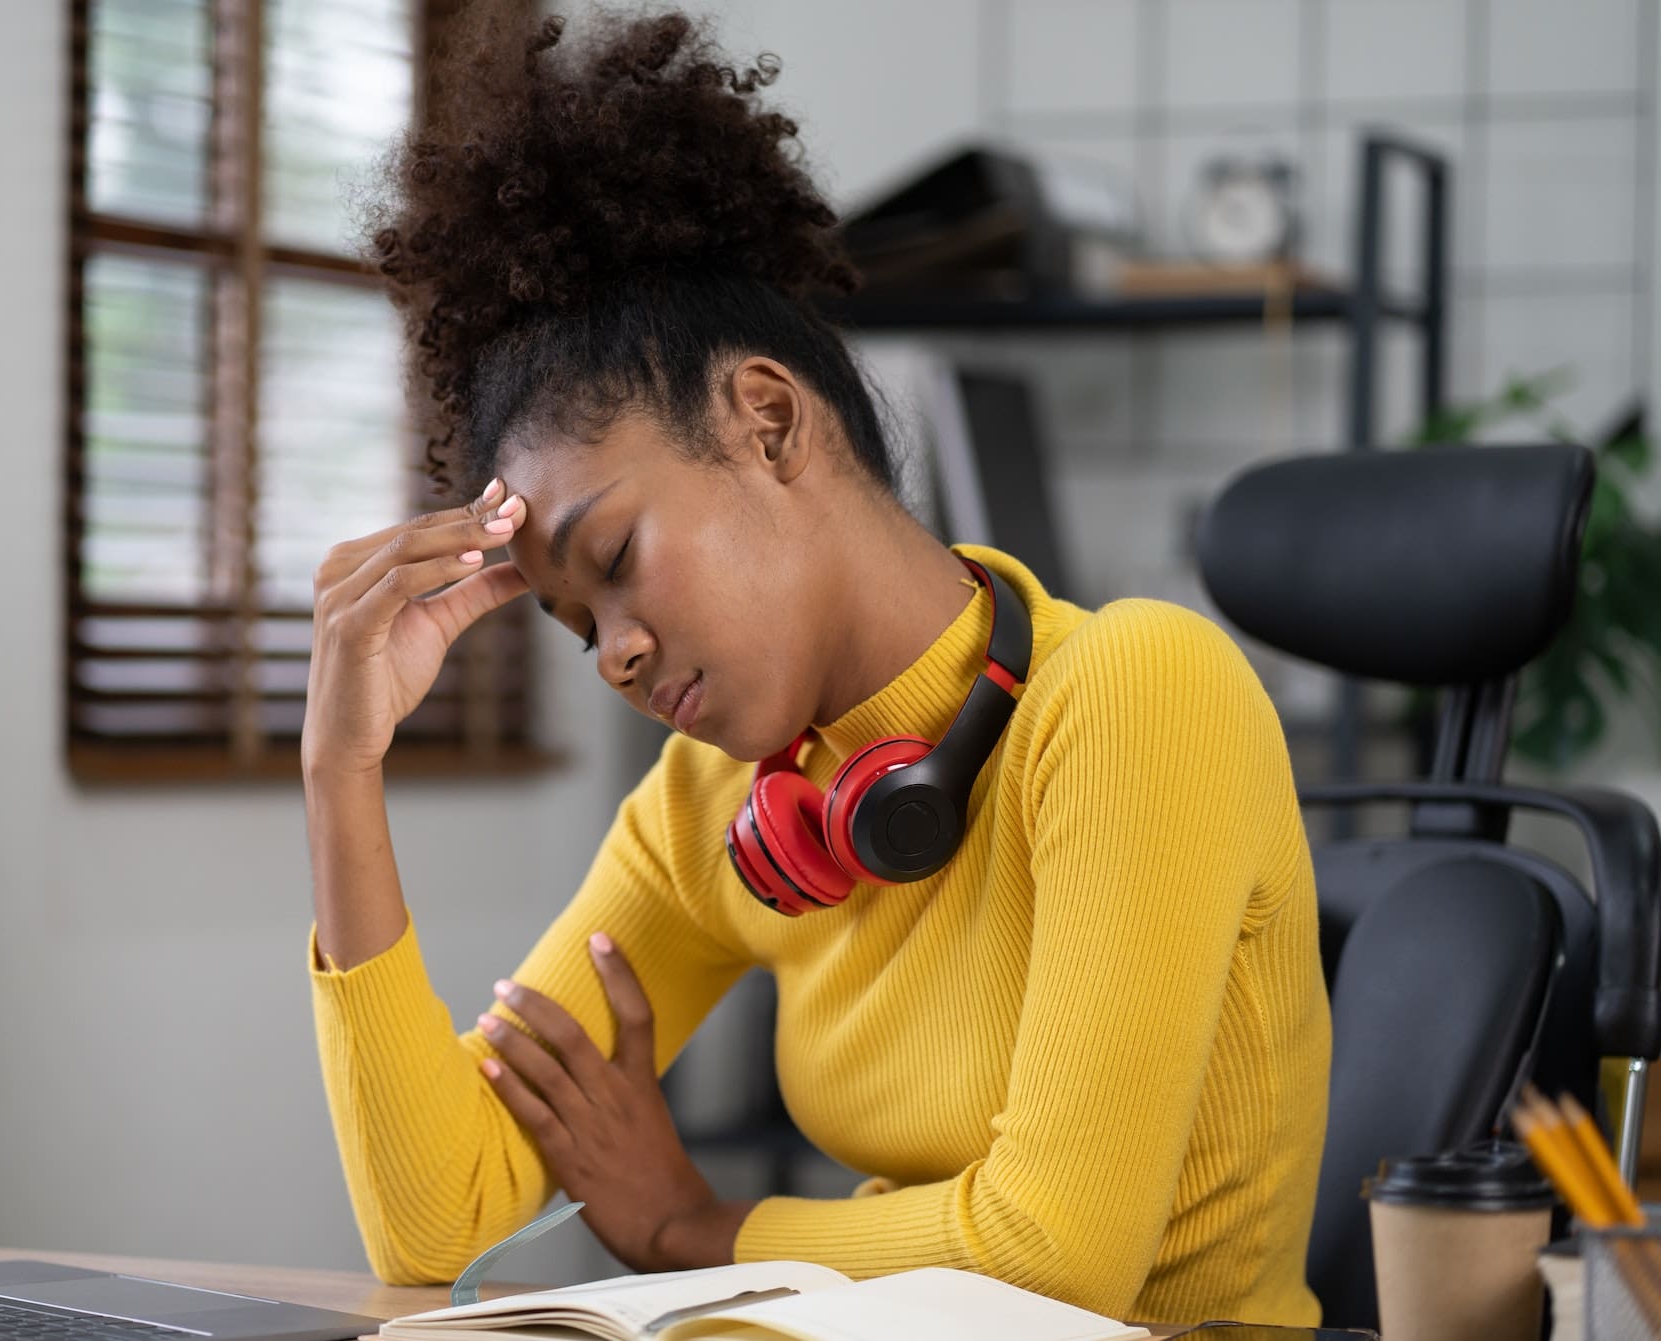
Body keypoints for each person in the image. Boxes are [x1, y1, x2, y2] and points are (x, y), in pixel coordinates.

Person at [300, 5, 1330, 1327]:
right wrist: (342, 772)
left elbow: (1053, 1256)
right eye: (572, 624)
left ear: (768, 421)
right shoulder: (713, 808)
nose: (611, 651)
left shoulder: (1135, 690)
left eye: (612, 557)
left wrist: (690, 1225)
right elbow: (436, 1219)